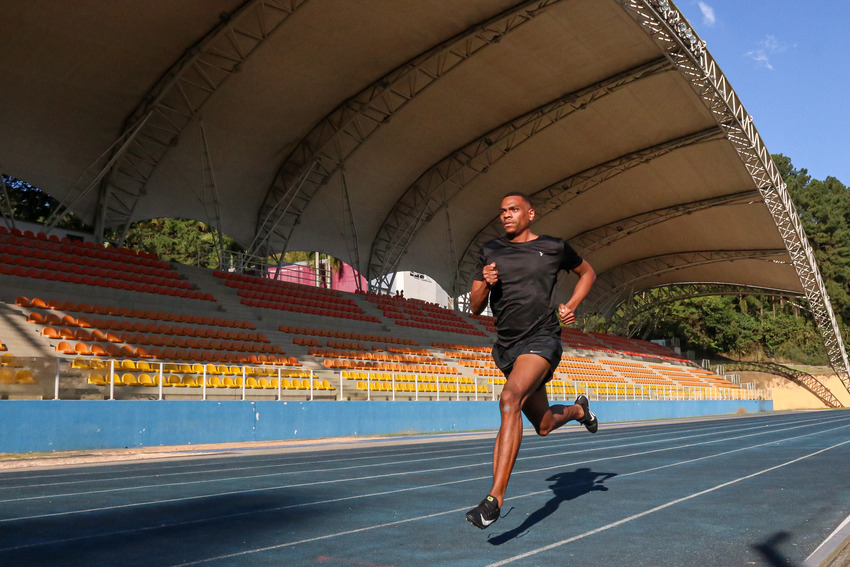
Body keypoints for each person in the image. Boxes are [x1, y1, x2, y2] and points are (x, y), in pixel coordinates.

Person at [465, 191, 598, 530]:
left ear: (530, 214)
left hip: (542, 340)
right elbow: (475, 306)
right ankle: (580, 410)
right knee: (543, 425)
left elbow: (587, 272)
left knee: (509, 400)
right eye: (502, 211)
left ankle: (493, 499)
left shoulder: (554, 247)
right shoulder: (491, 250)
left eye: (512, 210)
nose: (506, 216)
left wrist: (572, 304)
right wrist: (486, 284)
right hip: (508, 347)